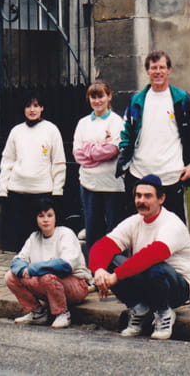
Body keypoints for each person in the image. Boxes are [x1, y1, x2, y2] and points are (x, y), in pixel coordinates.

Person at [89, 174, 190, 340]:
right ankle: (139, 309)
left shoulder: (171, 223)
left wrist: (116, 277)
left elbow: (154, 254)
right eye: (138, 196)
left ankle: (164, 312)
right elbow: (102, 246)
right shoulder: (134, 221)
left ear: (161, 199)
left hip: (177, 288)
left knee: (153, 266)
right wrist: (99, 271)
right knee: (110, 260)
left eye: (148, 196)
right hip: (147, 280)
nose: (141, 201)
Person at [116, 50, 190, 223]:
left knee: (173, 231)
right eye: (153, 68)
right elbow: (125, 134)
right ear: (147, 71)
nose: (158, 72)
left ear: (169, 70)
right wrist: (126, 160)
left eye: (161, 67)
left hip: (171, 178)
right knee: (137, 230)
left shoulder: (183, 100)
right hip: (139, 176)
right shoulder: (137, 101)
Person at [5, 201, 91, 329]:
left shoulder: (65, 233)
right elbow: (18, 260)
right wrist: (23, 269)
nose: (46, 220)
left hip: (76, 285)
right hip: (48, 284)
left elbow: (66, 265)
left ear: (56, 217)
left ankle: (62, 313)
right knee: (10, 277)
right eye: (41, 216)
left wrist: (33, 268)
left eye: (50, 215)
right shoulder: (34, 237)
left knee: (47, 277)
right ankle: (37, 313)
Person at [0, 96, 66, 250]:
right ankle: (22, 263)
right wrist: (2, 189)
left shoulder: (51, 130)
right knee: (20, 236)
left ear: (42, 108)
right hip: (17, 191)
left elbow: (58, 162)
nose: (32, 110)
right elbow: (7, 161)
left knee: (42, 237)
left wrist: (57, 190)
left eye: (36, 106)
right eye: (28, 106)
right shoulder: (16, 131)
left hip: (42, 192)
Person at [72, 80, 125, 253]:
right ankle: (95, 264)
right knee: (93, 228)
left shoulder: (116, 122)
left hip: (112, 184)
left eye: (101, 96)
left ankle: (114, 265)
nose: (97, 101)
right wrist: (99, 149)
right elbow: (77, 153)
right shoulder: (83, 123)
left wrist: (90, 150)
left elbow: (113, 149)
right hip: (89, 183)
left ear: (109, 97)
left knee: (114, 229)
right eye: (93, 97)